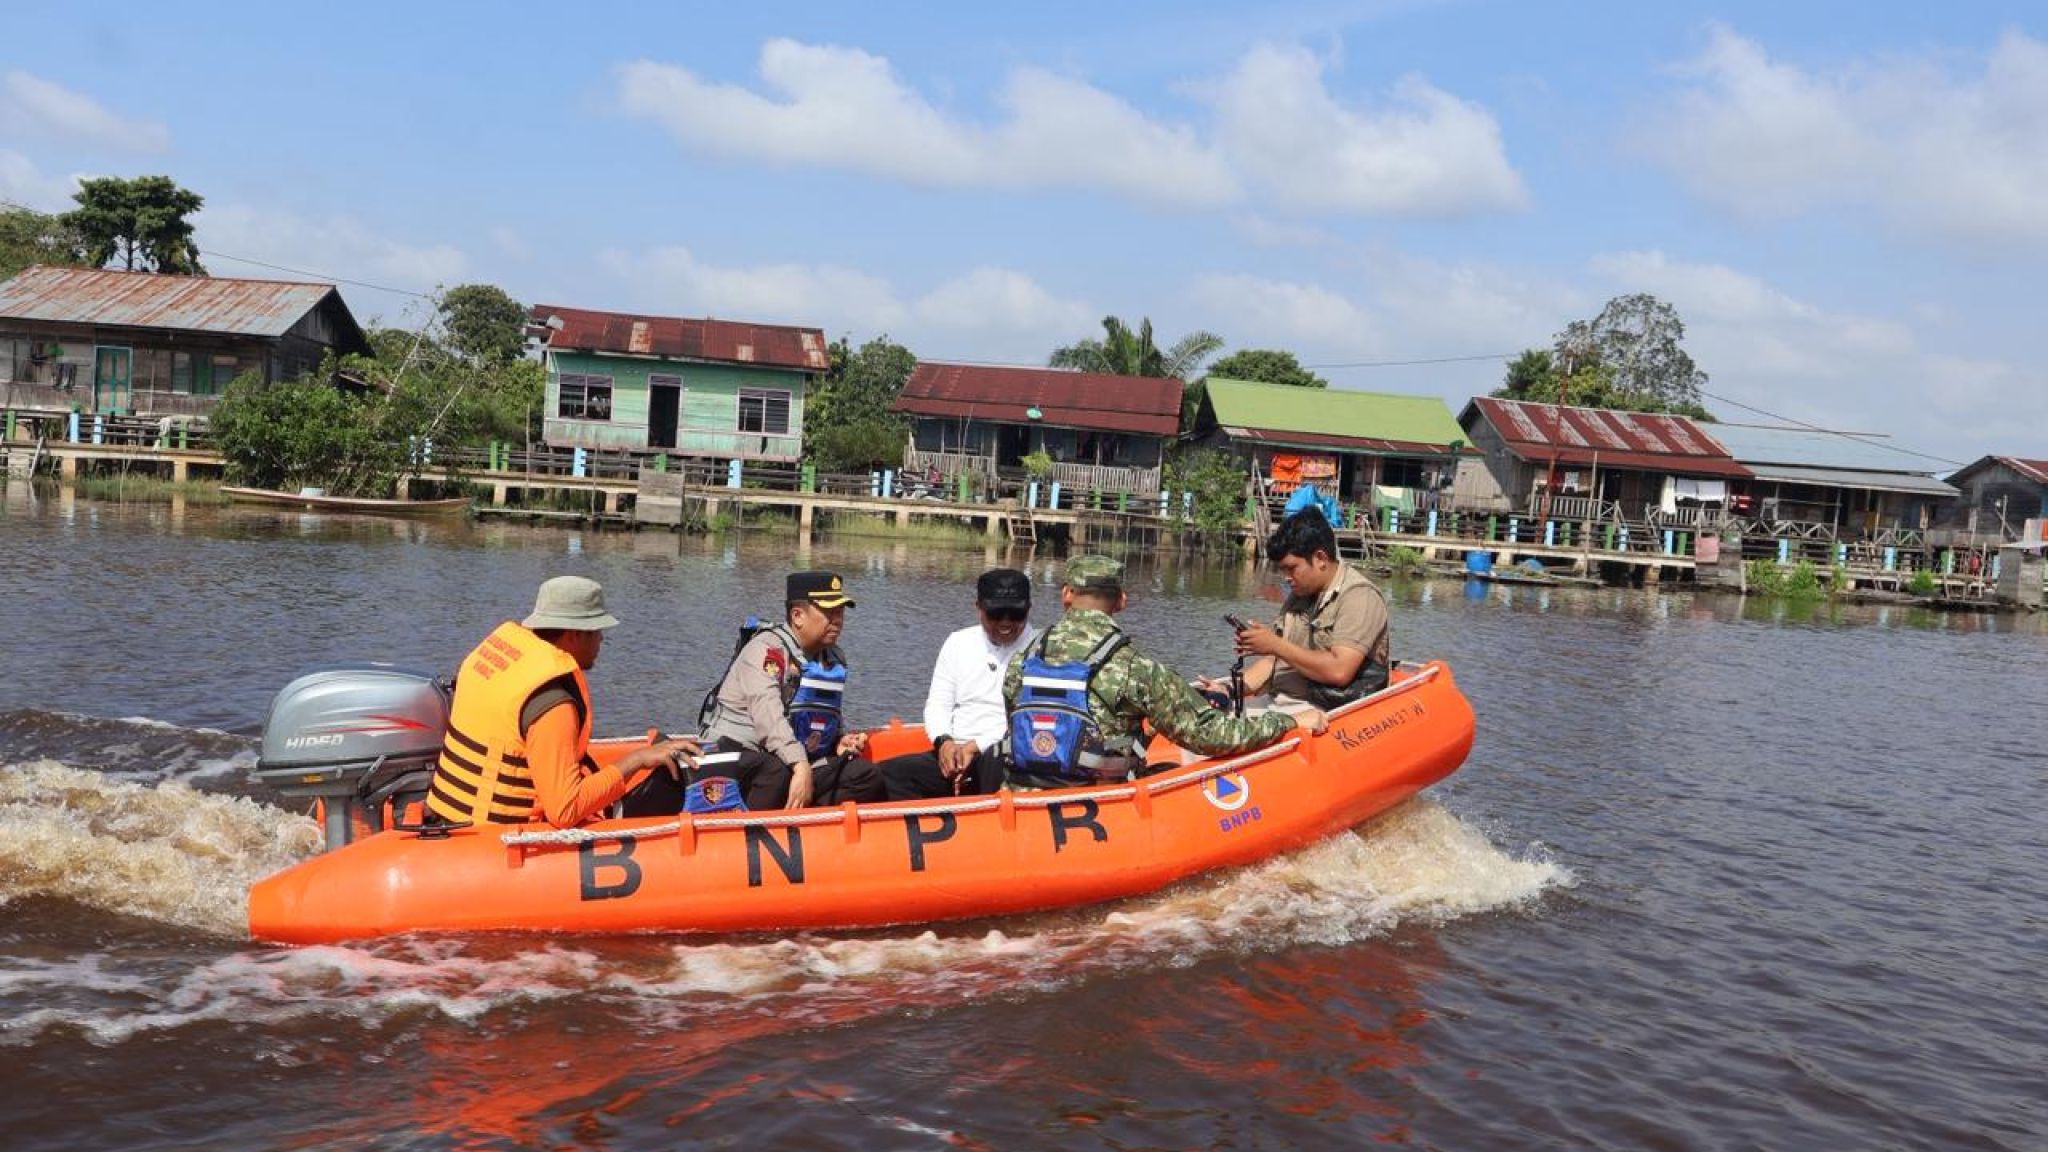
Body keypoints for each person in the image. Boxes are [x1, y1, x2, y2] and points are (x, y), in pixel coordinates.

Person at [1003, 555, 1325, 789]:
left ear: (1066, 594)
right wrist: (1289, 721)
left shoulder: (1023, 658)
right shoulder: (1134, 666)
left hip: (1023, 793)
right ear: (1122, 601)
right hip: (1101, 804)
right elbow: (1210, 736)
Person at [425, 576, 699, 828]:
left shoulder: (502, 658)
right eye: (597, 630)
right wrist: (636, 760)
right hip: (492, 840)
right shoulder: (553, 704)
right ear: (575, 634)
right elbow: (564, 811)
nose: (602, 639)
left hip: (449, 816)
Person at [697, 571, 885, 809]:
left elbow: (823, 713)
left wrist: (838, 739)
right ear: (797, 616)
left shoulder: (833, 657)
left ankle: (804, 822)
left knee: (866, 776)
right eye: (829, 612)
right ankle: (749, 831)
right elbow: (770, 719)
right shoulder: (766, 651)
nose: (837, 619)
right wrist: (800, 764)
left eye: (840, 612)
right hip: (740, 756)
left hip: (784, 757)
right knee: (776, 773)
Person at [879, 568, 1039, 800]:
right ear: (978, 608)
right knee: (889, 774)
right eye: (996, 614)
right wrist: (944, 742)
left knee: (994, 762)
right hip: (956, 751)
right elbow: (938, 704)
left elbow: (1028, 719)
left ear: (1028, 609)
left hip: (1005, 753)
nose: (1006, 622)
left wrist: (975, 746)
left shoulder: (1042, 650)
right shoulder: (958, 642)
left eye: (1015, 614)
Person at [1215, 508, 1391, 710]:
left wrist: (1275, 645)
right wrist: (1228, 689)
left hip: (1327, 712)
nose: (1286, 577)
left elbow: (1339, 671)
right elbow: (1275, 660)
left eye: (1291, 568)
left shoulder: (1359, 596)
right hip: (1284, 702)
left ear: (1320, 559)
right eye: (1283, 570)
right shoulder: (1301, 593)